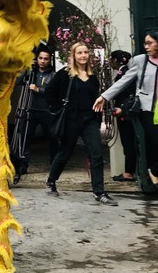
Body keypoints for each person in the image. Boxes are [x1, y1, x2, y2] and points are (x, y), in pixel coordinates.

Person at [44, 42, 117, 205]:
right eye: (79, 53)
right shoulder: (65, 74)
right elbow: (49, 93)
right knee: (65, 152)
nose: (83, 55)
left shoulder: (92, 77)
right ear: (73, 56)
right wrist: (58, 108)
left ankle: (99, 192)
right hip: (70, 120)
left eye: (85, 52)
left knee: (96, 154)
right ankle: (51, 180)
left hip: (89, 120)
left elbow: (94, 98)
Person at [95, 32, 158, 186]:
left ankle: (155, 170)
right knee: (153, 143)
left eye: (150, 43)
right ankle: (153, 171)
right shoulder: (141, 61)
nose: (146, 46)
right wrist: (104, 96)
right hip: (148, 110)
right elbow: (124, 81)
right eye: (145, 43)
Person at [11, 45, 59, 184]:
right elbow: (18, 82)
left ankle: (55, 164)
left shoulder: (53, 75)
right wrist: (26, 70)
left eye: (46, 59)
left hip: (46, 111)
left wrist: (39, 89)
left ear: (49, 60)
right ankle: (22, 165)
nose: (43, 61)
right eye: (40, 58)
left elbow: (54, 92)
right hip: (30, 109)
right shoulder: (32, 73)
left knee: (52, 138)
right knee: (25, 138)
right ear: (36, 59)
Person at [106, 50, 136, 182]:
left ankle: (129, 172)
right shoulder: (124, 72)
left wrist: (123, 109)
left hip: (126, 113)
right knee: (127, 142)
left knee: (128, 142)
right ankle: (128, 171)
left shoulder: (124, 74)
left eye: (111, 59)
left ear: (116, 60)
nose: (109, 62)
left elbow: (131, 94)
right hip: (123, 112)